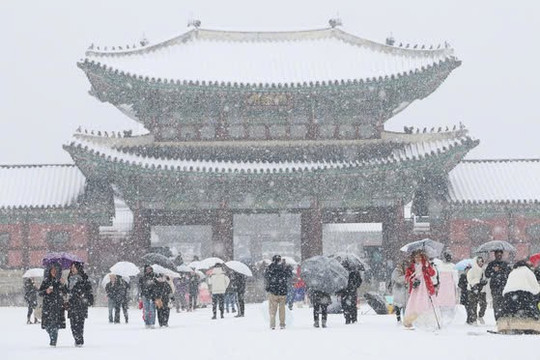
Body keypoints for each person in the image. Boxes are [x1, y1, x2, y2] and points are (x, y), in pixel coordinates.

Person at [497, 260, 540, 334]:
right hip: (524, 293)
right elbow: (536, 288)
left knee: (508, 312)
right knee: (530, 312)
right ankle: (530, 327)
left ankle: (505, 327)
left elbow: (507, 285)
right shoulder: (528, 272)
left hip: (509, 294)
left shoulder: (513, 272)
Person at [403, 250, 439, 329]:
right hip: (416, 287)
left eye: (419, 257)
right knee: (415, 302)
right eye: (416, 257)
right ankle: (413, 319)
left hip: (426, 286)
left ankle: (427, 320)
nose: (417, 259)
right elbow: (407, 277)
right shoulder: (411, 267)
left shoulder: (426, 264)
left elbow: (432, 273)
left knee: (425, 301)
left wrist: (427, 267)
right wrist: (412, 279)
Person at [38, 262, 67, 347]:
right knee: (47, 326)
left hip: (58, 305)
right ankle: (52, 338)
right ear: (50, 270)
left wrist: (64, 283)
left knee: (55, 325)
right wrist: (46, 291)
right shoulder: (46, 281)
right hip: (48, 306)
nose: (54, 271)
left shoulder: (60, 280)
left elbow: (66, 292)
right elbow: (40, 293)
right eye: (52, 269)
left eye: (56, 269)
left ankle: (53, 342)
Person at [66, 261, 94, 347]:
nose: (72, 269)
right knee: (72, 324)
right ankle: (77, 339)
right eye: (71, 267)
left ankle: (79, 341)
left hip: (81, 304)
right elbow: (67, 291)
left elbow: (89, 291)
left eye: (74, 267)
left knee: (79, 324)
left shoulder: (84, 278)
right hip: (72, 304)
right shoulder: (69, 278)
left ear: (78, 268)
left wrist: (82, 294)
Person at [264, 254, 290, 329]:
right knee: (282, 309)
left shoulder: (270, 268)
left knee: (272, 309)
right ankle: (282, 324)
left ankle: (272, 325)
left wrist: (268, 287)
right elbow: (289, 276)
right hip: (282, 291)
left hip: (273, 291)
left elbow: (266, 277)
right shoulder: (283, 267)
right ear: (280, 260)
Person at [484, 250, 511, 320]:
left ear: (502, 255)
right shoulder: (491, 264)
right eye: (497, 254)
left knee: (504, 303)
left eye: (500, 254)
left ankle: (503, 318)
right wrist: (493, 270)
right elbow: (487, 274)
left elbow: (509, 274)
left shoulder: (506, 264)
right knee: (496, 303)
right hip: (494, 287)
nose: (499, 255)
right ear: (495, 255)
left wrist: (503, 271)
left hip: (504, 287)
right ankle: (497, 318)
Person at [435, 252, 458, 325]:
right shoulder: (453, 267)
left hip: (442, 286)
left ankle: (441, 317)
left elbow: (437, 276)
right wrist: (456, 287)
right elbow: (455, 279)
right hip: (449, 286)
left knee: (441, 300)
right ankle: (450, 318)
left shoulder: (439, 266)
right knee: (450, 301)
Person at [466, 256, 487, 325]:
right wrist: (477, 282)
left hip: (482, 290)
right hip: (473, 290)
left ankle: (480, 316)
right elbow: (469, 279)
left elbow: (485, 279)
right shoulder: (472, 270)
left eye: (482, 261)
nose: (481, 263)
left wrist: (484, 281)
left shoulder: (483, 270)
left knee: (484, 304)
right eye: (480, 261)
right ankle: (474, 320)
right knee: (473, 305)